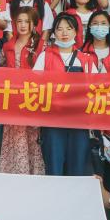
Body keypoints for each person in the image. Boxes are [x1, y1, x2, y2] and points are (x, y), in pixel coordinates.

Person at [35, 14, 103, 175]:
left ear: (75, 32)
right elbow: (34, 85)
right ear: (54, 33)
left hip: (79, 122)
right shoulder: (45, 56)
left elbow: (97, 89)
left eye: (69, 28)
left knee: (78, 169)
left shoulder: (86, 60)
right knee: (54, 168)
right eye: (59, 29)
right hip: (52, 121)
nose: (64, 33)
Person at [0, 8, 46, 175]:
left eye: (27, 21)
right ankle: (14, 173)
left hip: (32, 98)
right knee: (15, 136)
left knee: (33, 137)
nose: (23, 25)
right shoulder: (7, 46)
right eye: (19, 21)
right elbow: (1, 69)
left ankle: (34, 174)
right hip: (12, 99)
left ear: (34, 24)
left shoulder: (41, 45)